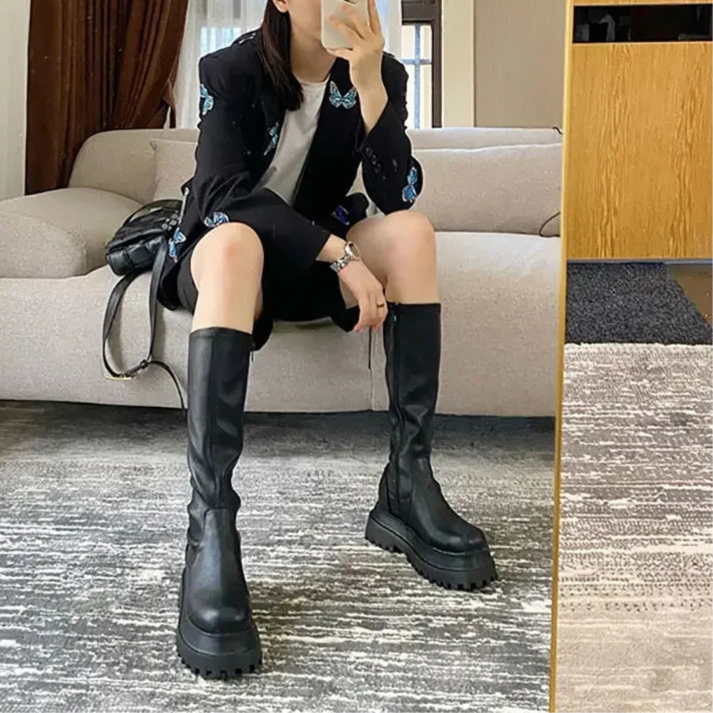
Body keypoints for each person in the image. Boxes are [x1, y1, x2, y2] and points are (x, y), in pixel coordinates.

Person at [156, 0, 497, 680]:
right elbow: (221, 194)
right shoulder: (230, 70)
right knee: (234, 243)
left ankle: (407, 482)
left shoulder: (381, 73)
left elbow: (397, 194)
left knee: (413, 235)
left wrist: (370, 88)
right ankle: (210, 524)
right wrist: (338, 254)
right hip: (230, 261)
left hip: (309, 264)